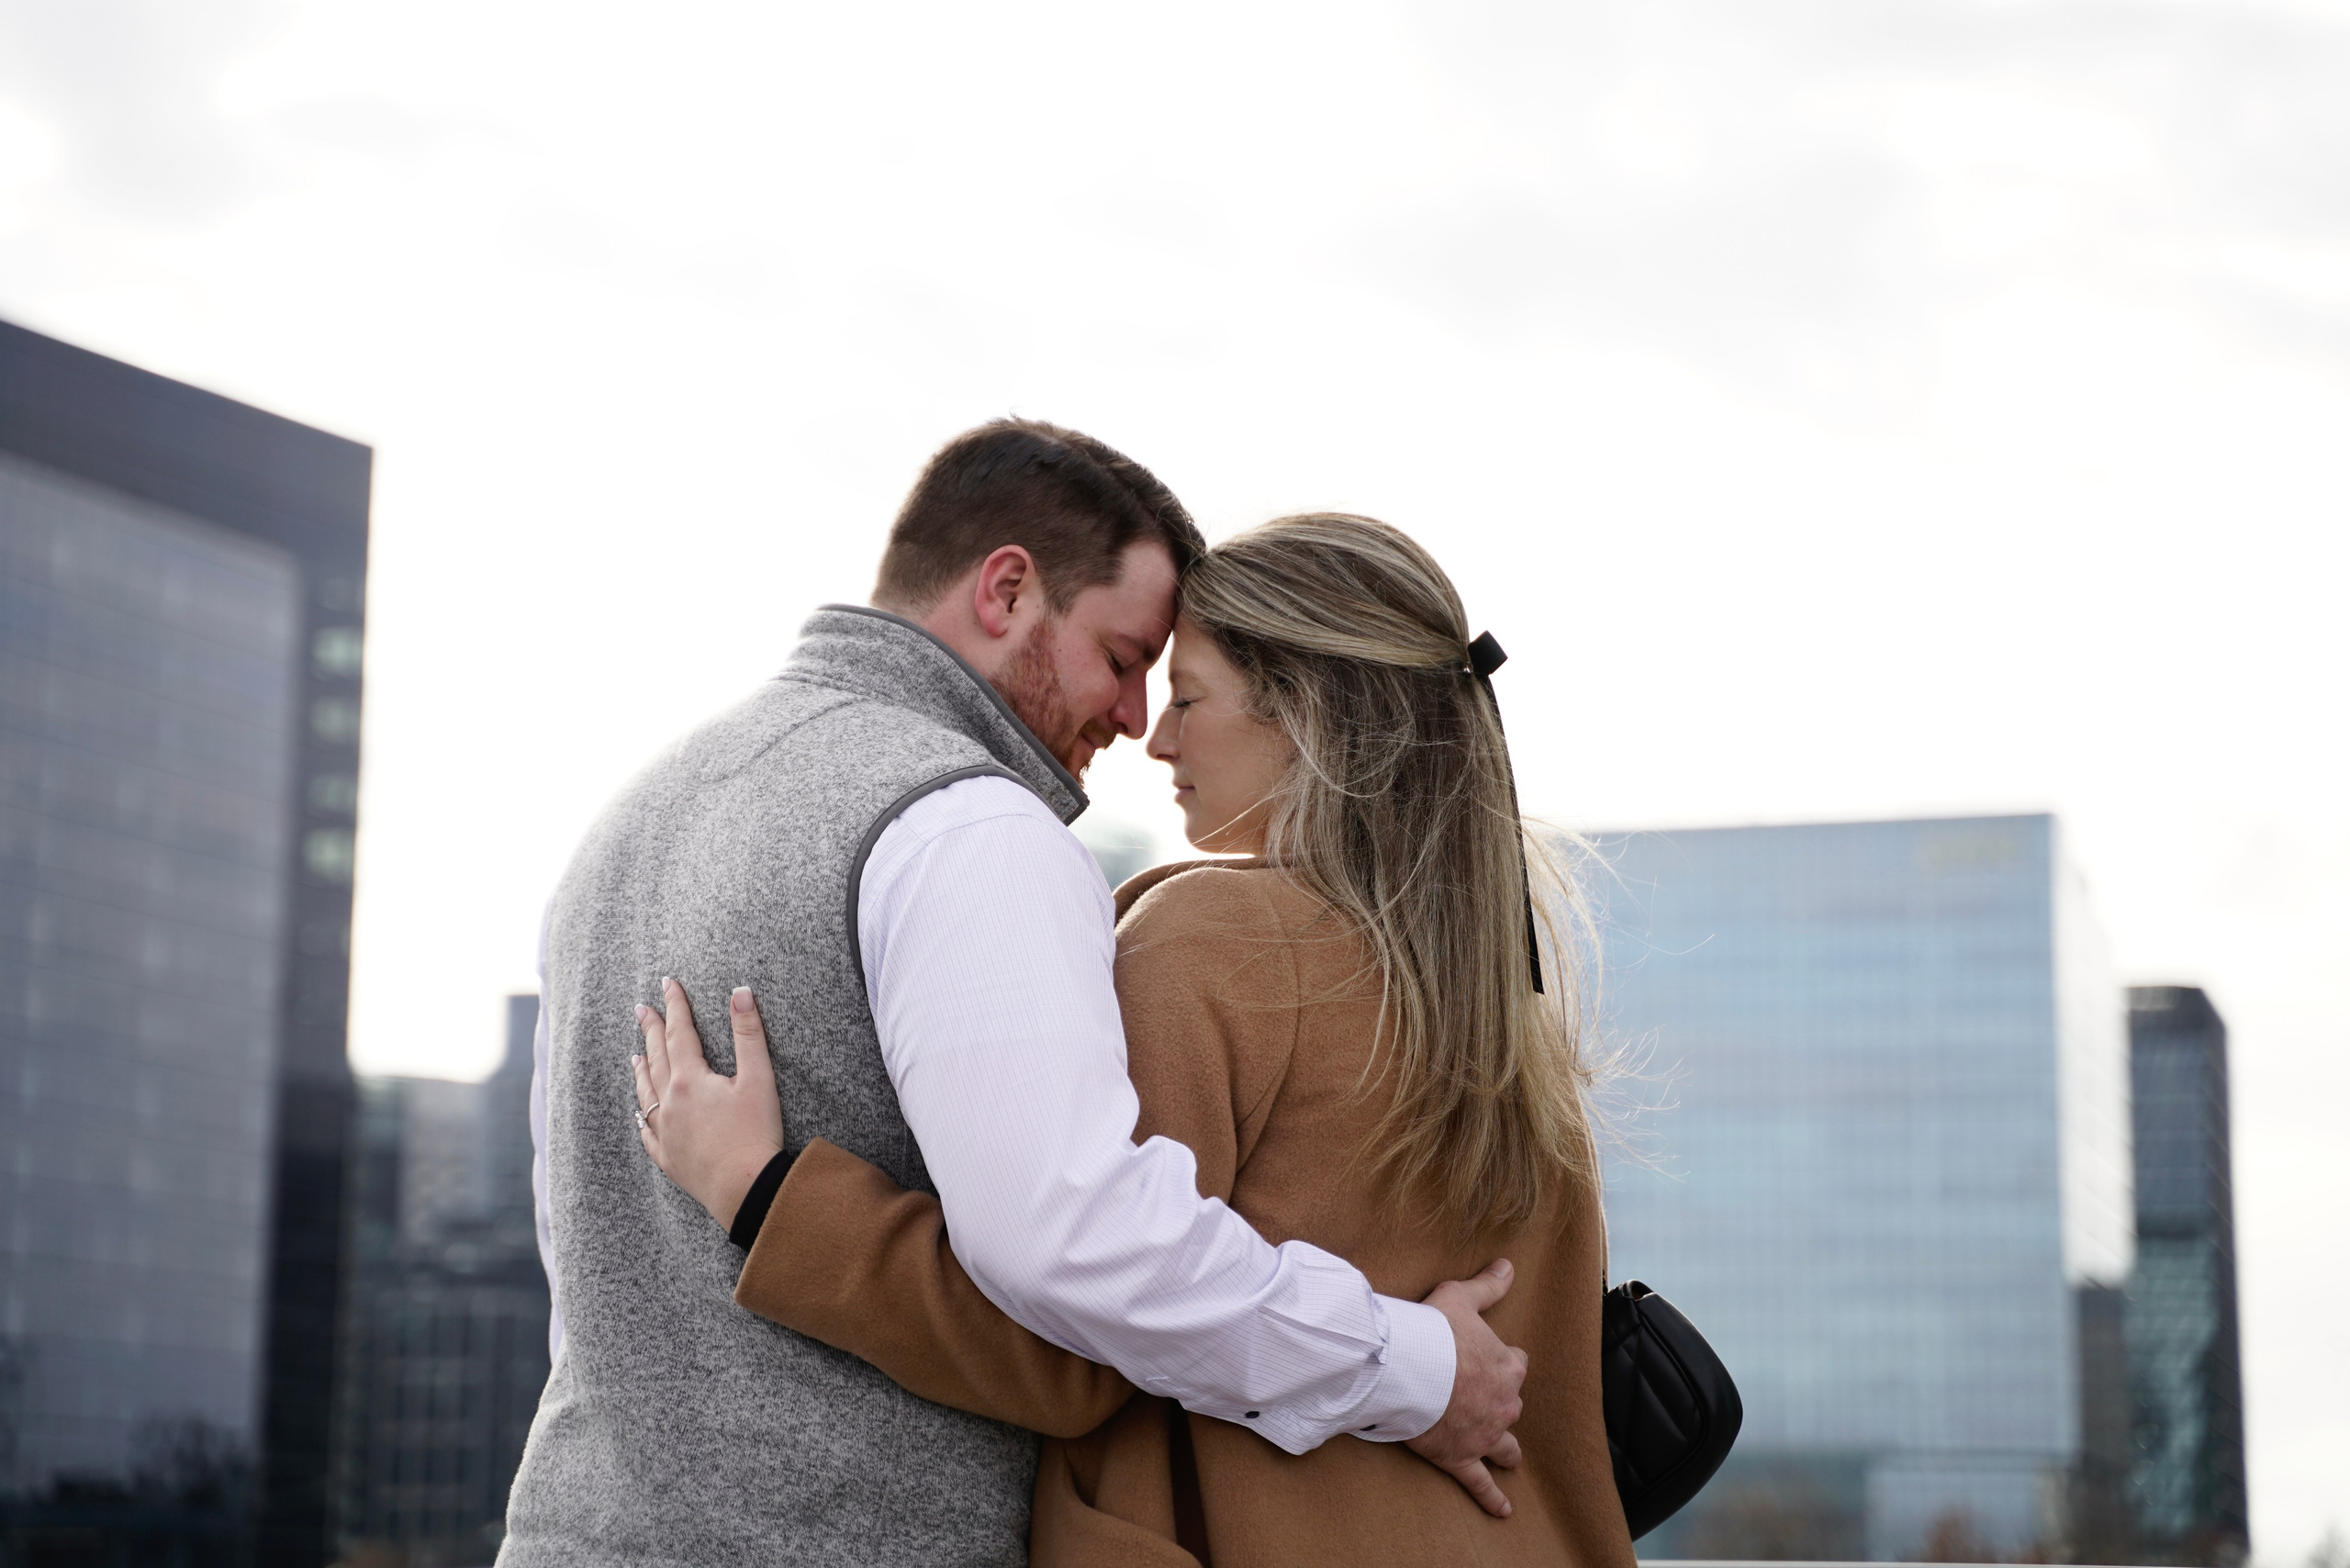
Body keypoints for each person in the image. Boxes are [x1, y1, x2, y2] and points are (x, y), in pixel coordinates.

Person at [499, 427, 1530, 1568]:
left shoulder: (634, 819)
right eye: (1126, 656)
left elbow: (583, 1251)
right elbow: (1077, 1248)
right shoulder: (970, 824)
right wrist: (1412, 1366)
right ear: (1006, 590)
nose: (1135, 719)